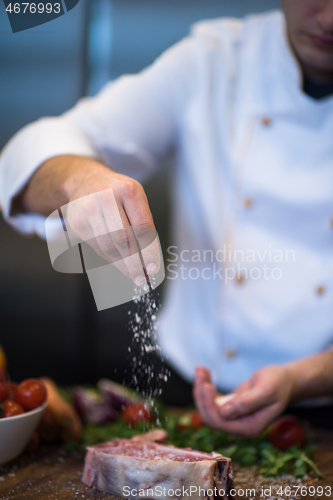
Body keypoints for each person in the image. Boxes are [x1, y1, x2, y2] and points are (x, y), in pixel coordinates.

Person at [1, 0, 333, 437]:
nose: (329, 18)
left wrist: (302, 377)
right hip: (184, 390)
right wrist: (78, 182)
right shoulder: (217, 59)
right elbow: (30, 151)